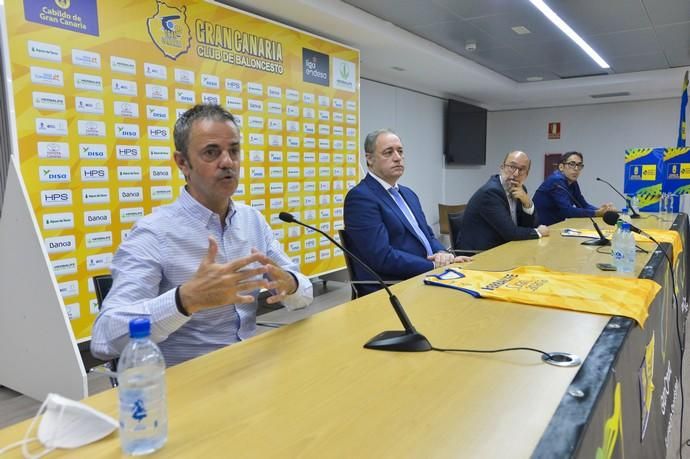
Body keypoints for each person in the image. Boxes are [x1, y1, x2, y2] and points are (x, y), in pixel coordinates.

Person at [91, 104, 313, 366]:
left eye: (234, 150)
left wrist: (290, 283)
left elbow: (305, 294)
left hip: (251, 368)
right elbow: (104, 338)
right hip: (189, 384)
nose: (228, 162)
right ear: (183, 163)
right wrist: (185, 300)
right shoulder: (154, 232)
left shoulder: (251, 219)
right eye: (211, 152)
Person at [343, 128, 471, 296]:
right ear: (369, 159)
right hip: (394, 287)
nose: (397, 158)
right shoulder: (361, 198)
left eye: (400, 151)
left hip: (427, 276)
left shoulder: (408, 194)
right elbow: (382, 257)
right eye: (388, 152)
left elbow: (428, 236)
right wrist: (434, 266)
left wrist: (443, 255)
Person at [459, 150, 549, 251]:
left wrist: (527, 203)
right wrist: (538, 232)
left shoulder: (520, 190)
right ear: (502, 167)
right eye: (512, 167)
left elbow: (528, 226)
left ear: (526, 175)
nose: (515, 173)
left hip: (505, 248)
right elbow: (510, 233)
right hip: (480, 254)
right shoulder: (490, 192)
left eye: (522, 169)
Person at [533, 151, 616, 226]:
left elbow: (583, 204)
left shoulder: (573, 183)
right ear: (561, 167)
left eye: (579, 165)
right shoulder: (556, 180)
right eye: (572, 164)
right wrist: (596, 213)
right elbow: (567, 211)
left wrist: (603, 211)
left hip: (554, 227)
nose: (576, 169)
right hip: (539, 228)